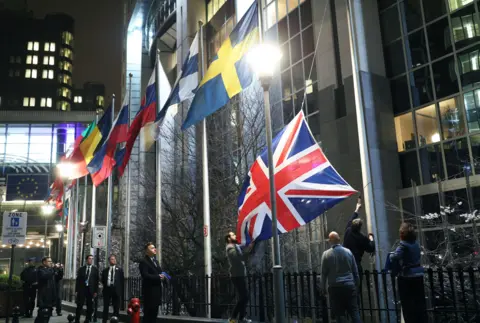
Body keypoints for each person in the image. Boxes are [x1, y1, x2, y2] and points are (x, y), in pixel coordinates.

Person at [388, 223, 426, 323]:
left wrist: (391, 255)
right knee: (419, 303)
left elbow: (396, 256)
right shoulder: (416, 244)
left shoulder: (403, 245)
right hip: (418, 274)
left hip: (407, 275)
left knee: (407, 304)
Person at [320, 231, 362, 323]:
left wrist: (323, 288)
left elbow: (323, 274)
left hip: (335, 287)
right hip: (349, 285)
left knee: (340, 314)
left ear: (330, 241)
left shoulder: (326, 255)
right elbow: (355, 271)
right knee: (354, 312)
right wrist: (357, 285)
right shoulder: (348, 252)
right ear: (339, 240)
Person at [225, 231, 254, 323]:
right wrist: (248, 249)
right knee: (244, 297)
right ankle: (236, 317)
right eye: (233, 235)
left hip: (240, 274)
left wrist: (250, 247)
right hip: (237, 275)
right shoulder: (230, 248)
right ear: (229, 238)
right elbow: (238, 258)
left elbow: (242, 255)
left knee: (243, 297)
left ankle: (239, 318)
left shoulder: (236, 246)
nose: (235, 236)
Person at [343, 197, 375, 274]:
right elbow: (370, 248)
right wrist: (371, 238)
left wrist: (357, 208)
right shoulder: (362, 238)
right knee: (357, 284)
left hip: (345, 263)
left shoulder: (348, 230)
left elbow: (352, 218)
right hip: (355, 265)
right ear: (360, 227)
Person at [139, 242, 165, 323]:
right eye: (152, 248)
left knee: (154, 314)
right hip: (149, 292)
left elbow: (160, 272)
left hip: (157, 292)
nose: (155, 249)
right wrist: (158, 277)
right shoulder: (144, 261)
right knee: (148, 315)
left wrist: (164, 276)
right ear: (147, 251)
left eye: (154, 247)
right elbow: (145, 275)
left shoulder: (156, 261)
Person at [75, 255, 99, 323]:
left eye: (92, 259)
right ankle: (77, 320)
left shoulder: (95, 269)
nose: (91, 260)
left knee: (90, 306)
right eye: (89, 259)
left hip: (90, 290)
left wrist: (95, 291)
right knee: (79, 305)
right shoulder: (81, 269)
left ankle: (87, 319)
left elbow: (96, 282)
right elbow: (78, 280)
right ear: (86, 260)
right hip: (82, 289)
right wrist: (76, 290)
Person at [101, 255, 124, 323]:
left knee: (116, 307)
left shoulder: (119, 270)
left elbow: (121, 281)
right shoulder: (105, 270)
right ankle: (104, 320)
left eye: (114, 259)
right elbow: (103, 280)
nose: (113, 260)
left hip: (116, 290)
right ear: (109, 261)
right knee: (106, 306)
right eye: (112, 259)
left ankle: (115, 320)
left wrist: (120, 291)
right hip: (107, 290)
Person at [35, 257, 57, 323]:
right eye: (49, 261)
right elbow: (46, 276)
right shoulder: (40, 270)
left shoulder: (51, 270)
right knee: (42, 314)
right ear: (44, 262)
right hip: (43, 296)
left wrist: (60, 270)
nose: (51, 263)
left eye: (51, 261)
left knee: (48, 314)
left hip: (51, 295)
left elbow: (58, 277)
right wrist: (54, 269)